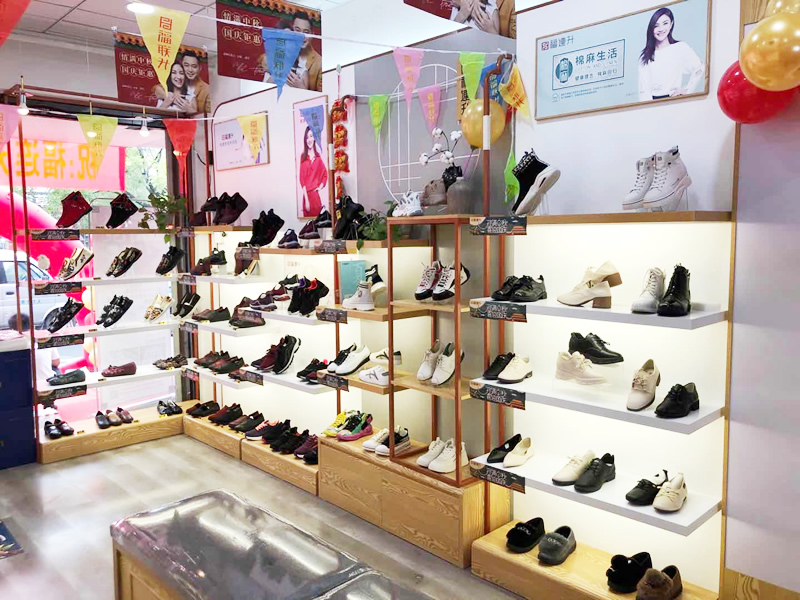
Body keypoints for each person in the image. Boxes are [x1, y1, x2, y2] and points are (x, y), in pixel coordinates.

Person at [638, 7, 704, 101]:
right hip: (652, 103)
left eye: (665, 23)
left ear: (671, 24)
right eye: (656, 26)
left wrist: (687, 90)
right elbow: (643, 89)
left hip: (674, 101)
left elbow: (700, 68)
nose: (661, 29)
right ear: (651, 28)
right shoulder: (645, 56)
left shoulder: (680, 48)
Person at [10, 313, 60, 384]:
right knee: (55, 368)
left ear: (12, 330)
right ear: (33, 326)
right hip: (47, 380)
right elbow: (56, 362)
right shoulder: (44, 338)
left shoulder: (12, 342)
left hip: (22, 383)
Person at [287, 12, 322, 92]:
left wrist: (302, 88)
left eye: (306, 32)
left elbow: (323, 96)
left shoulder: (320, 63)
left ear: (312, 34)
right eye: (297, 30)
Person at [298, 126, 327, 217]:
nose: (309, 140)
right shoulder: (303, 157)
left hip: (315, 197)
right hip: (306, 196)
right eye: (307, 137)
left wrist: (320, 187)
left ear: (314, 138)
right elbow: (302, 179)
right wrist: (306, 200)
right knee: (307, 223)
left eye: (311, 136)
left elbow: (325, 174)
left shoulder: (318, 158)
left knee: (317, 222)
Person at [448, 0, 514, 37]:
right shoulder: (456, 7)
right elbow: (447, 40)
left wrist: (491, 31)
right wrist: (461, 16)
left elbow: (497, 43)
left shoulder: (491, 8)